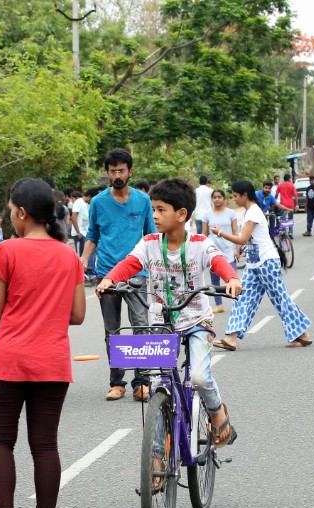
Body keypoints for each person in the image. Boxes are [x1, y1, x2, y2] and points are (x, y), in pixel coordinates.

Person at [0, 178, 86, 508]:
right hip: (53, 362)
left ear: (21, 212)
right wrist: (46, 312)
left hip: (9, 362)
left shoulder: (6, 250)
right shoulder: (69, 256)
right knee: (45, 445)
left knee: (0, 441)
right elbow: (78, 315)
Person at [98, 178, 241, 448]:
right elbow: (130, 263)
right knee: (158, 386)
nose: (154, 215)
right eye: (153, 209)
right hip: (161, 325)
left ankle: (216, 411)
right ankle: (156, 455)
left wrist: (232, 278)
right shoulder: (149, 242)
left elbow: (219, 262)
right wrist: (109, 280)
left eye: (161, 210)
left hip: (197, 322)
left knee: (198, 376)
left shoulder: (200, 243)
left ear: (181, 214)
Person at [79, 148, 156, 402]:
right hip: (107, 275)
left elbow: (151, 236)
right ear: (108, 174)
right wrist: (84, 259)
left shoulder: (143, 201)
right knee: (112, 330)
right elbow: (93, 236)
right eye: (113, 171)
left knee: (140, 326)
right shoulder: (99, 203)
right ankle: (117, 382)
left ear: (130, 172)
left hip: (137, 273)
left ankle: (141, 382)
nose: (117, 175)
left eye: (121, 170)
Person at [211, 180, 311, 350]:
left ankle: (302, 333)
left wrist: (220, 233)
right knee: (242, 298)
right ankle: (231, 338)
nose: (234, 199)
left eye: (236, 196)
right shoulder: (249, 212)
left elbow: (242, 239)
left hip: (266, 262)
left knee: (280, 299)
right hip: (254, 264)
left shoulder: (253, 213)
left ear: (244, 196)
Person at [202, 188, 239, 312]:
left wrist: (237, 249)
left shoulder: (231, 213)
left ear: (224, 199)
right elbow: (204, 235)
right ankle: (219, 305)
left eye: (219, 197)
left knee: (232, 277)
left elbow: (235, 232)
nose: (217, 199)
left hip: (229, 249)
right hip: (213, 251)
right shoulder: (207, 215)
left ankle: (237, 304)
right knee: (215, 280)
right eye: (215, 197)